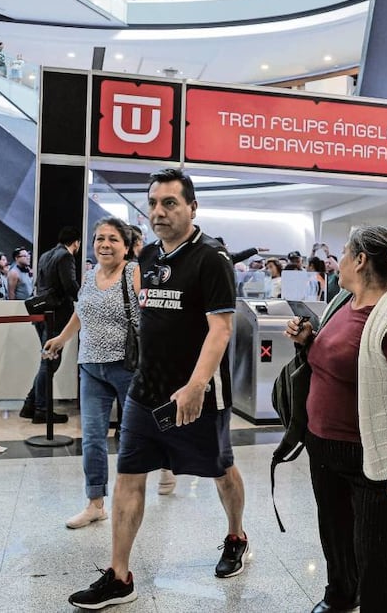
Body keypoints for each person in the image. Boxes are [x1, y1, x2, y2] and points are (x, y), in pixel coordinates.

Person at [68, 169, 248, 609]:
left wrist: (196, 385)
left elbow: (221, 329)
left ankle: (236, 536)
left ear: (192, 207)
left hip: (198, 396)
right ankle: (119, 576)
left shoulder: (212, 258)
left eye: (169, 203)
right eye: (153, 203)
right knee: (129, 475)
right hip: (145, 392)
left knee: (221, 469)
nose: (158, 211)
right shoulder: (147, 256)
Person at [284, 226, 387, 612]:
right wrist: (308, 341)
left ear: (360, 260)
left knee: (373, 554)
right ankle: (341, 595)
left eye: (343, 253)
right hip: (323, 448)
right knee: (335, 535)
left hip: (369, 457)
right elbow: (336, 359)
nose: (337, 261)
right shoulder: (345, 303)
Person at [44, 218, 141, 529]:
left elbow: (150, 316)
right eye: (100, 238)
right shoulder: (89, 275)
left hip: (127, 366)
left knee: (135, 436)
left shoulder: (133, 272)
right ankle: (95, 503)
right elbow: (81, 311)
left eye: (113, 239)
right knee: (92, 438)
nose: (105, 244)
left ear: (126, 246)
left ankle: (141, 489)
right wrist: (62, 338)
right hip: (90, 366)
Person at [23, 227, 81, 424]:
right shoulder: (66, 256)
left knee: (46, 360)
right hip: (56, 315)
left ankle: (30, 405)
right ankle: (41, 409)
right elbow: (69, 285)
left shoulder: (46, 255)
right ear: (76, 242)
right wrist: (84, 299)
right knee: (49, 362)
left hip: (42, 313)